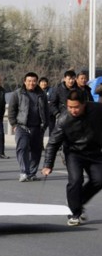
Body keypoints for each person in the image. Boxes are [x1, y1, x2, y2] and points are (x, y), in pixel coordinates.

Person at [42, 90, 102, 226]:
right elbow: (52, 143)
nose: (73, 110)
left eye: (76, 107)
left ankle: (76, 201)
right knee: (76, 180)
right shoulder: (64, 120)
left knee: (99, 179)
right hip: (74, 153)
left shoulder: (97, 109)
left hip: (94, 151)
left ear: (84, 104)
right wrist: (48, 165)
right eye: (70, 107)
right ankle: (75, 212)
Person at [8, 72, 49, 182]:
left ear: (37, 82)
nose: (32, 83)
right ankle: (23, 172)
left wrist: (45, 125)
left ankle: (32, 173)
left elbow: (46, 110)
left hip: (37, 127)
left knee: (36, 151)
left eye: (34, 81)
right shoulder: (17, 94)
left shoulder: (42, 94)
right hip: (22, 126)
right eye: (29, 81)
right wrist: (14, 124)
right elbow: (11, 110)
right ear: (25, 82)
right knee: (22, 148)